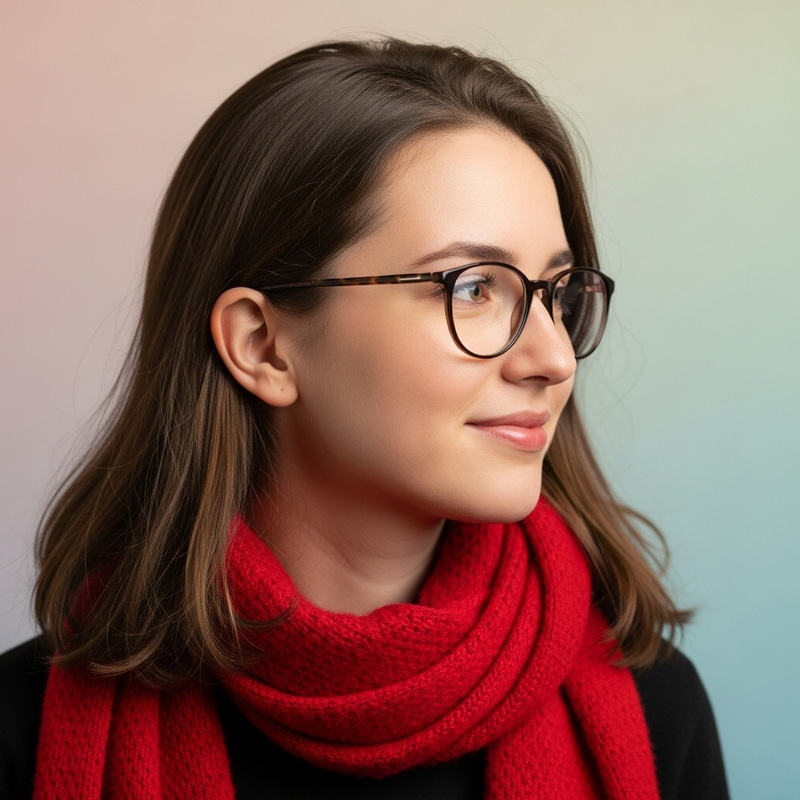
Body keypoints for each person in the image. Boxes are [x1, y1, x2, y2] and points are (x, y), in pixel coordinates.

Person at [0, 38, 729, 799]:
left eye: (556, 290)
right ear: (263, 346)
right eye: (473, 288)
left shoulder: (654, 708)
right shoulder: (22, 732)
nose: (554, 357)